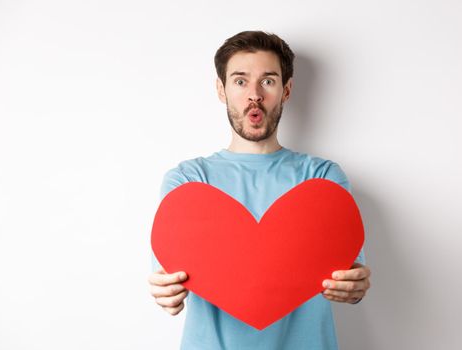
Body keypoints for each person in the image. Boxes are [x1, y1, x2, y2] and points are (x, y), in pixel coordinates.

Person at [148, 30, 371, 350]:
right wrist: (166, 293)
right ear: (221, 90)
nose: (254, 94)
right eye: (240, 81)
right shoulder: (187, 182)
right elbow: (168, 279)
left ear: (287, 90)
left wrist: (354, 288)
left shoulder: (322, 179)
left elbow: (348, 275)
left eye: (267, 81)